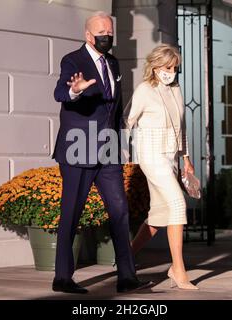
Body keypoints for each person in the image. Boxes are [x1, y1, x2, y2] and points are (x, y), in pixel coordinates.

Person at [52, 11, 152, 294]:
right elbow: (60, 92)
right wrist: (75, 91)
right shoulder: (73, 60)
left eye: (110, 32)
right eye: (101, 33)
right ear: (88, 35)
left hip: (108, 150)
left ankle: (127, 277)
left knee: (119, 212)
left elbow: (115, 108)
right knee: (71, 213)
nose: (107, 37)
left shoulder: (113, 62)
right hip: (77, 149)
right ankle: (62, 278)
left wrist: (122, 138)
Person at [123, 44, 199, 290]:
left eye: (174, 68)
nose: (171, 72)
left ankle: (126, 256)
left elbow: (182, 128)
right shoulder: (144, 90)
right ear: (155, 66)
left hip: (171, 159)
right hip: (151, 156)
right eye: (167, 67)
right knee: (177, 204)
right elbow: (127, 121)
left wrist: (186, 159)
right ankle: (178, 270)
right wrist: (123, 151)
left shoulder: (175, 90)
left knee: (158, 215)